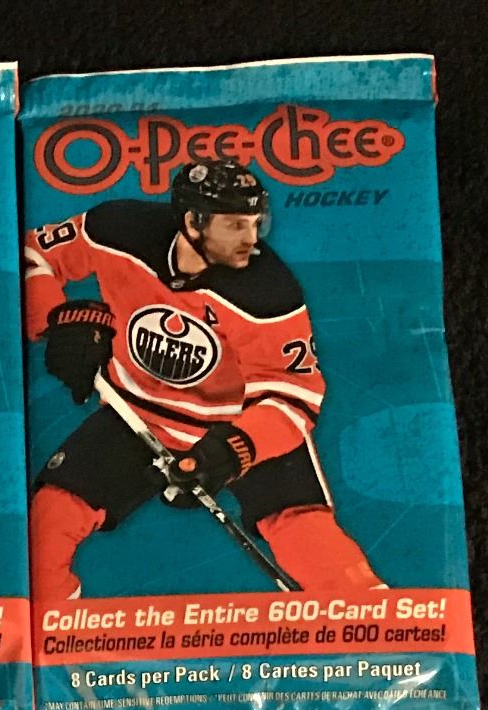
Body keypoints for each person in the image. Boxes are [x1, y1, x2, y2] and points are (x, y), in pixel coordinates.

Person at [25, 158, 383, 602]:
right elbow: (33, 253)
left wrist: (236, 449)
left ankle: (376, 619)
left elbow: (295, 396)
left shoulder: (268, 291)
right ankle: (60, 627)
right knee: (48, 525)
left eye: (255, 223)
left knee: (310, 539)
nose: (251, 239)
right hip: (136, 412)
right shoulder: (117, 228)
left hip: (237, 424)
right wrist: (59, 321)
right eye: (235, 225)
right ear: (194, 221)